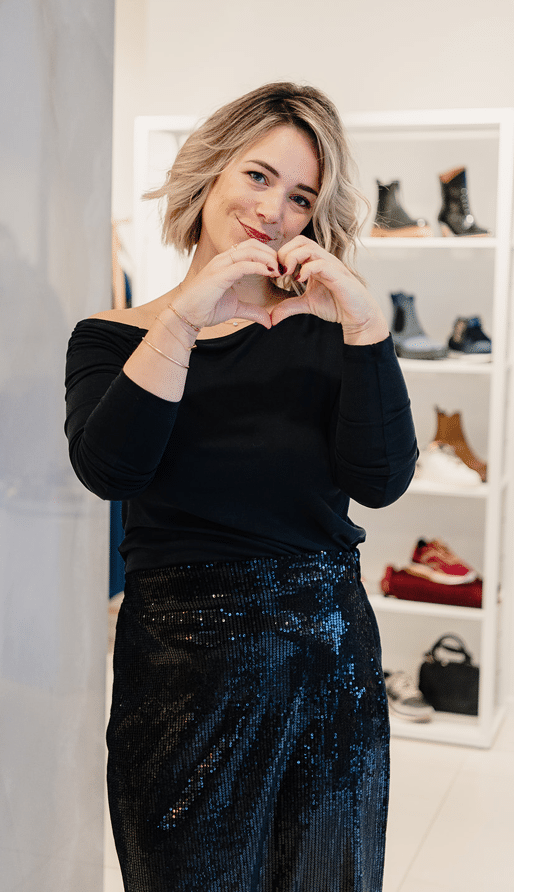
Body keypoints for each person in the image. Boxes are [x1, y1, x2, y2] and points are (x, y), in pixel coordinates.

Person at [64, 82, 418, 892]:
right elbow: (111, 471)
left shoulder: (333, 334)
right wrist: (185, 319)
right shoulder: (114, 338)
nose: (273, 210)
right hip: (183, 679)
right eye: (259, 176)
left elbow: (382, 481)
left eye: (300, 197)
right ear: (212, 170)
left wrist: (365, 327)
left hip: (330, 667)